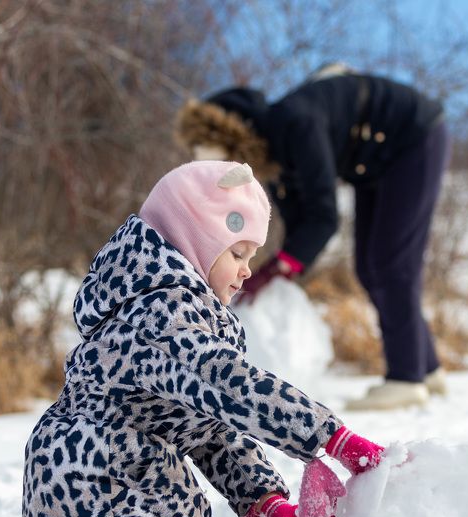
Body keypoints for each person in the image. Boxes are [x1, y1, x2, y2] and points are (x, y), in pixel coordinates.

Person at [0, 161, 385, 517]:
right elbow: (227, 383)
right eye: (237, 252)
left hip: (96, 482)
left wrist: (262, 500)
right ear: (197, 241)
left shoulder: (166, 306)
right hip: (102, 480)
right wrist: (330, 438)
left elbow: (209, 430)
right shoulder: (162, 312)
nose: (247, 269)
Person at [176, 67, 451, 410]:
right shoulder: (272, 159)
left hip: (413, 138)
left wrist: (277, 269)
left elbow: (323, 217)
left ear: (235, 137)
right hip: (375, 162)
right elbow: (299, 224)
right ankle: (427, 369)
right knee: (370, 267)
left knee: (390, 264)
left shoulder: (295, 123)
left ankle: (406, 378)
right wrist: (276, 269)